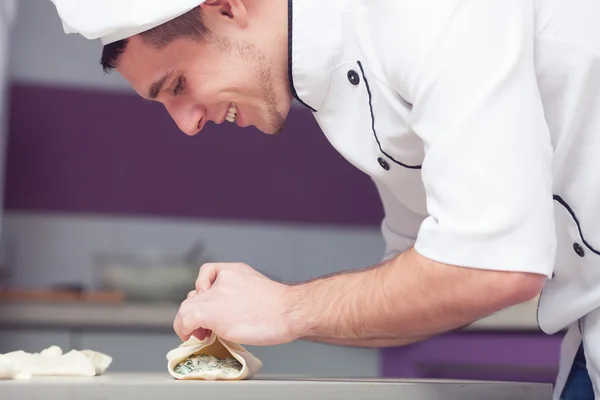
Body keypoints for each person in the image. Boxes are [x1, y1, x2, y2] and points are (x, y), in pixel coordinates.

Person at [49, 1, 600, 398]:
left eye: (176, 86)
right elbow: (423, 285)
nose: (187, 125)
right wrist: (263, 313)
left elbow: (489, 268)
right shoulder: (332, 89)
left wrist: (285, 308)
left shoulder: (424, 11)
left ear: (226, 8)